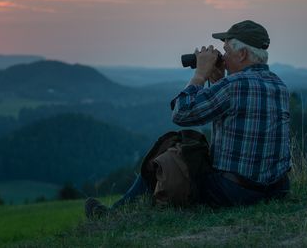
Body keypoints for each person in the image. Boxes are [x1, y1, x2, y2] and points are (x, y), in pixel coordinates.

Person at [85, 20, 291, 218]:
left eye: (226, 51)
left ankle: (114, 214)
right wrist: (219, 80)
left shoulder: (235, 86)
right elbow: (236, 113)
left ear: (243, 53)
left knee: (172, 143)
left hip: (234, 192)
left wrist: (200, 75)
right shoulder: (279, 85)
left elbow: (181, 114)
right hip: (276, 190)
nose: (223, 57)